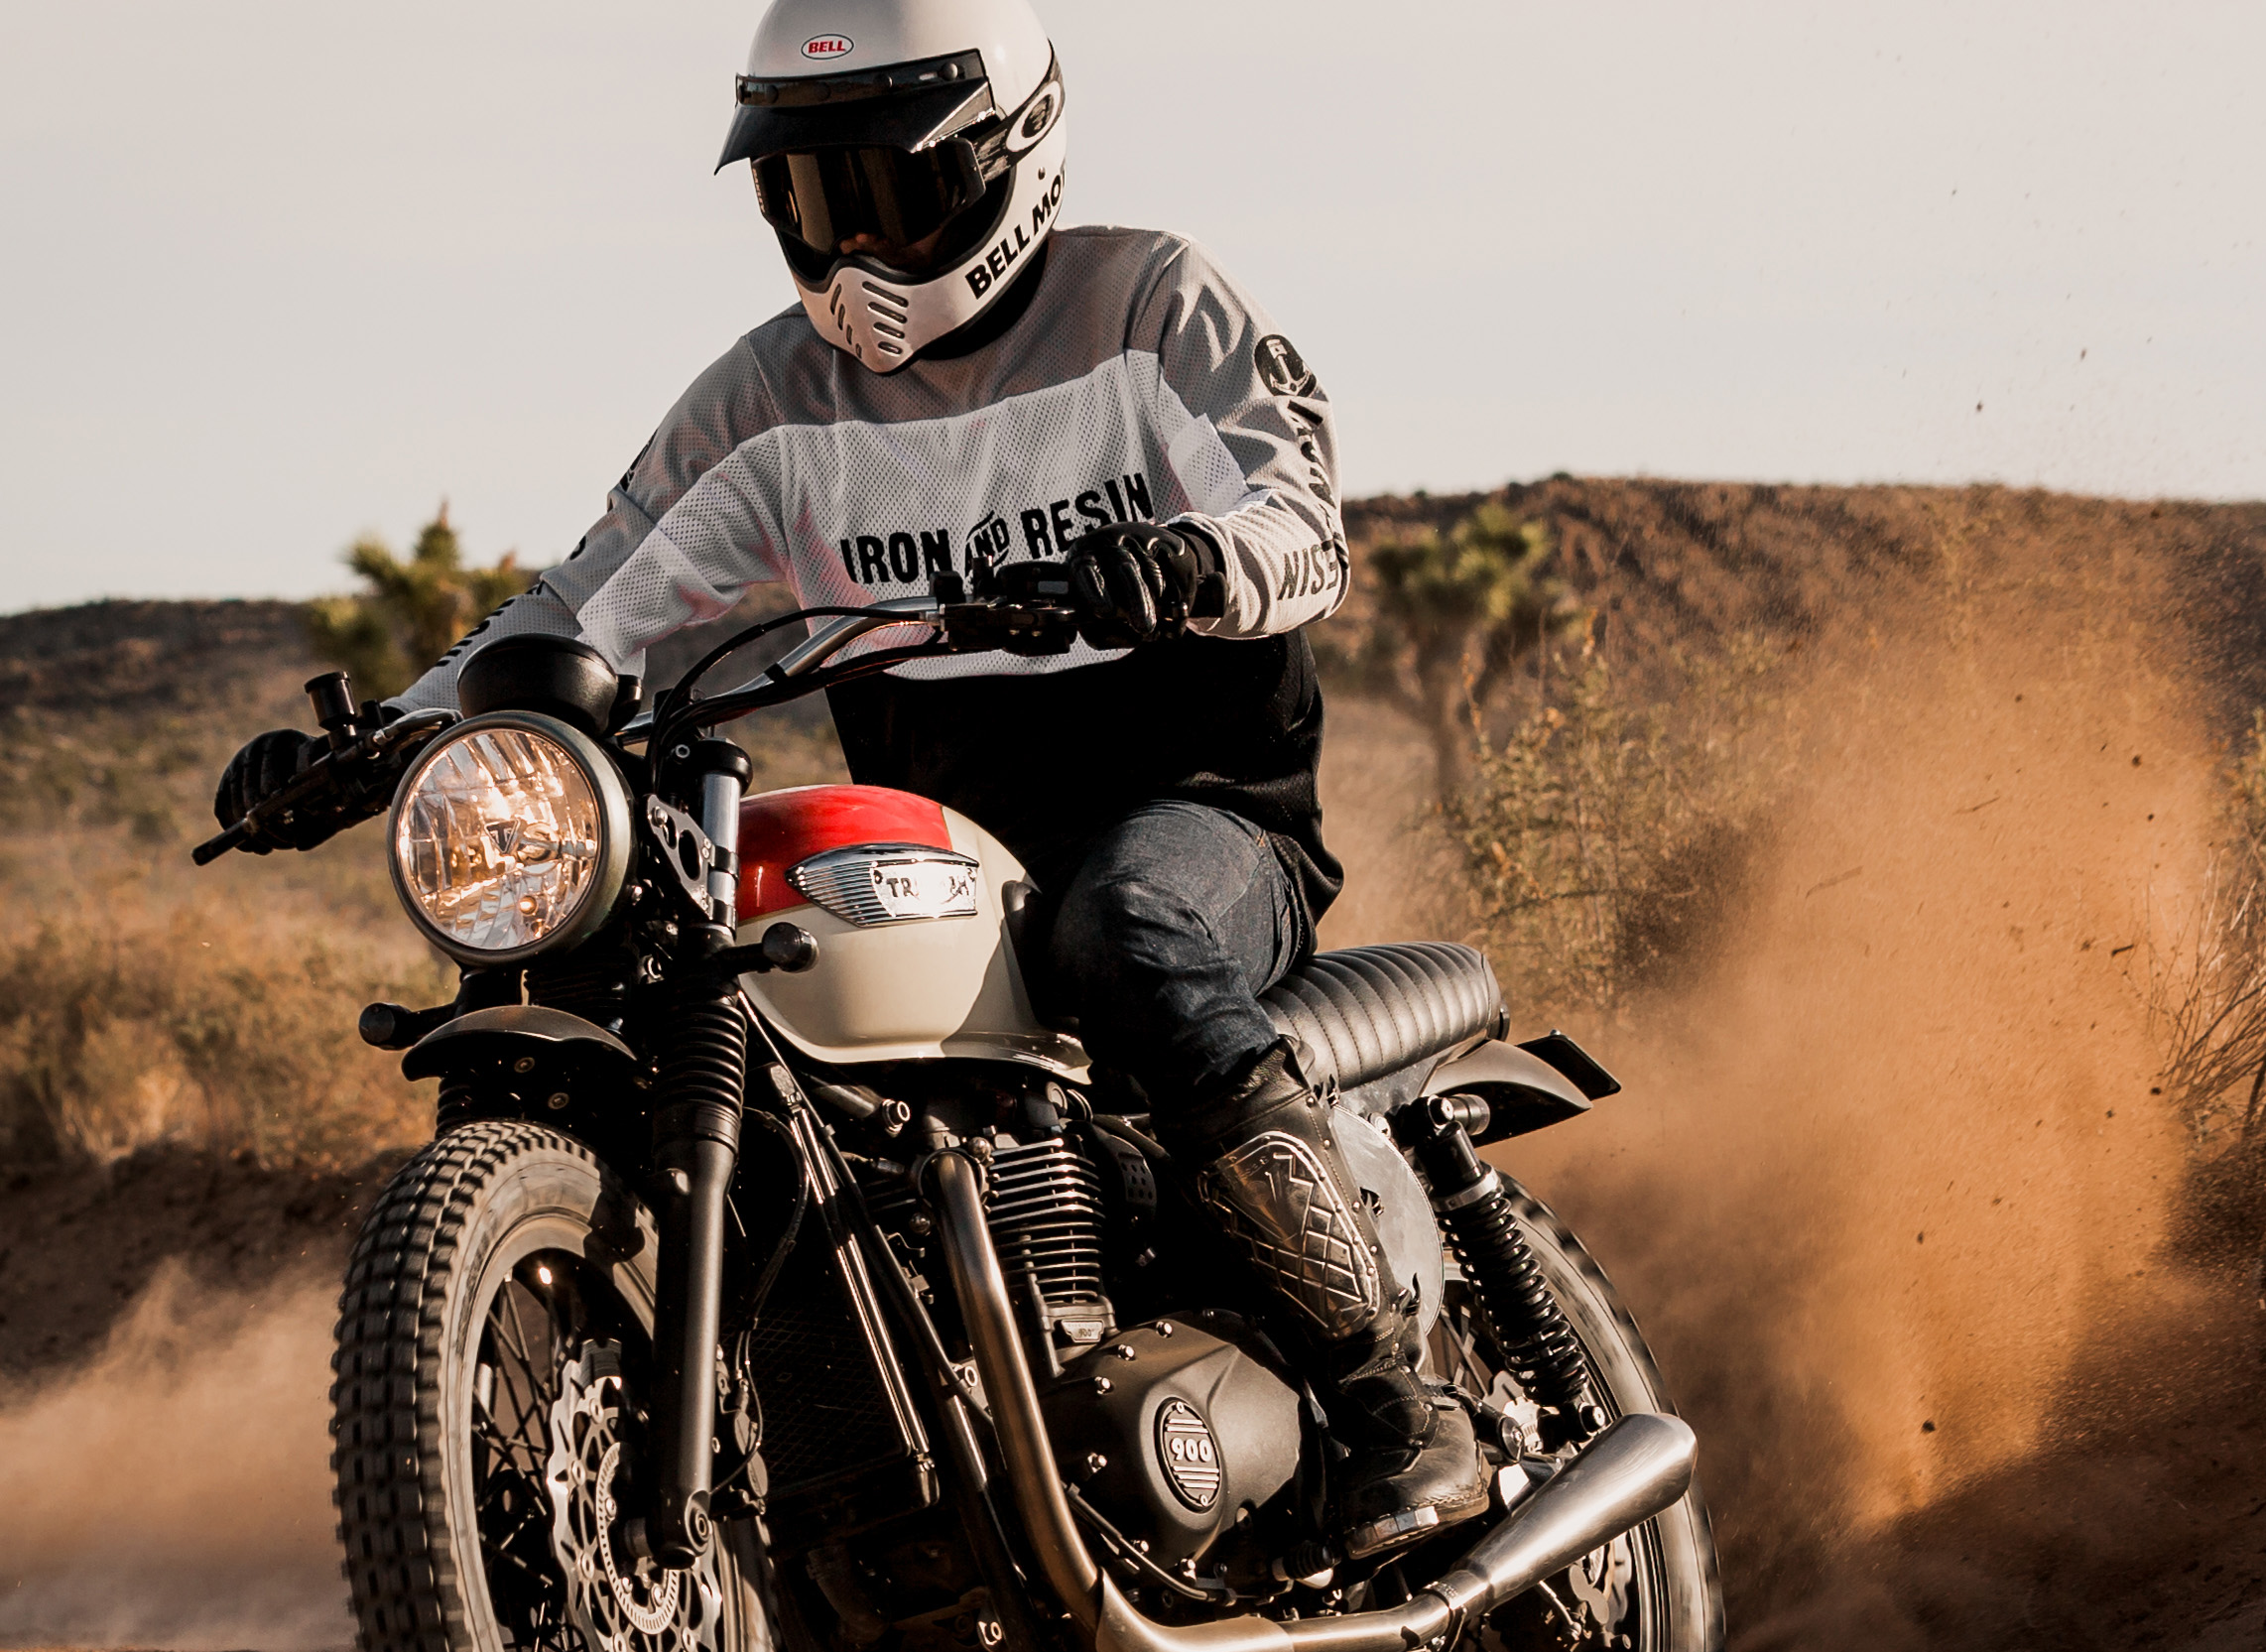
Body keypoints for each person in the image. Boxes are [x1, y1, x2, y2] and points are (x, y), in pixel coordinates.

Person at [209, 0, 1484, 1561]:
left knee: (1129, 929)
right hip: (951, 851)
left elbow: (1298, 506)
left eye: (887, 190)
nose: (852, 252)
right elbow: (585, 604)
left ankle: (1391, 1401)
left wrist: (1190, 563)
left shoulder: (1146, 302)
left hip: (1201, 806)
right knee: (730, 1018)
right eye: (809, 201)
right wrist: (382, 742)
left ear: (1006, 152)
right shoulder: (769, 404)